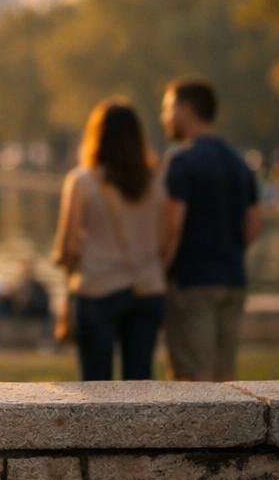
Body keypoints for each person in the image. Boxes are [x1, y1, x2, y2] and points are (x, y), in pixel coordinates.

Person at [52, 98, 171, 381]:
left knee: (96, 385)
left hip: (97, 288)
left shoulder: (83, 181)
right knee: (140, 382)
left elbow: (68, 246)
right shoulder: (155, 182)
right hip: (147, 289)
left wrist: (68, 270)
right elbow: (164, 240)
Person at [160, 77, 262, 382]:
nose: (165, 117)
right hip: (233, 280)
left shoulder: (181, 161)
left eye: (168, 109)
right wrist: (227, 250)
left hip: (192, 283)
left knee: (193, 377)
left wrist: (161, 269)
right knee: (225, 375)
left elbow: (173, 225)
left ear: (187, 110)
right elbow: (255, 225)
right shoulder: (238, 161)